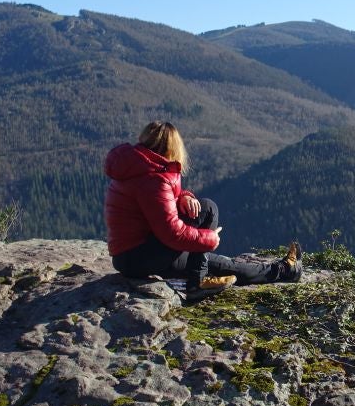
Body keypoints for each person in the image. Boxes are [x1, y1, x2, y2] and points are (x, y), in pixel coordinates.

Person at [104, 121, 301, 299]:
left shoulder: (138, 166)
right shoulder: (153, 179)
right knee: (207, 208)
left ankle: (285, 270)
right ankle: (197, 282)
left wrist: (184, 197)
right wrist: (208, 238)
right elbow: (172, 232)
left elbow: (156, 204)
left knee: (223, 265)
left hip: (133, 255)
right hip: (142, 256)